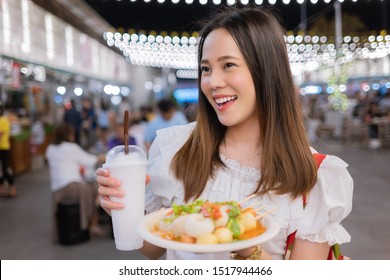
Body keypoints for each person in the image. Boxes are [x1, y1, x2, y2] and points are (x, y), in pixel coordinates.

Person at [96, 7, 353, 260]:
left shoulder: (313, 175)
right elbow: (155, 249)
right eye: (206, 68)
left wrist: (243, 244)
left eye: (228, 65)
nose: (212, 82)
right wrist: (121, 207)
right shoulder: (174, 147)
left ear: (267, 72)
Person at [46, 123, 106, 241]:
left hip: (57, 191)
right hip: (73, 187)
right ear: (69, 135)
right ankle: (92, 225)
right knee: (97, 187)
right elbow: (90, 160)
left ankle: (89, 225)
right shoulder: (71, 148)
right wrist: (105, 156)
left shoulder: (50, 149)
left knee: (91, 186)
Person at [0, 107, 17, 198]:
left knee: (5, 170)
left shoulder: (2, 121)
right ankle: (2, 189)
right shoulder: (4, 120)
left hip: (3, 148)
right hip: (4, 147)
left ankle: (13, 189)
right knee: (2, 170)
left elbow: (1, 134)